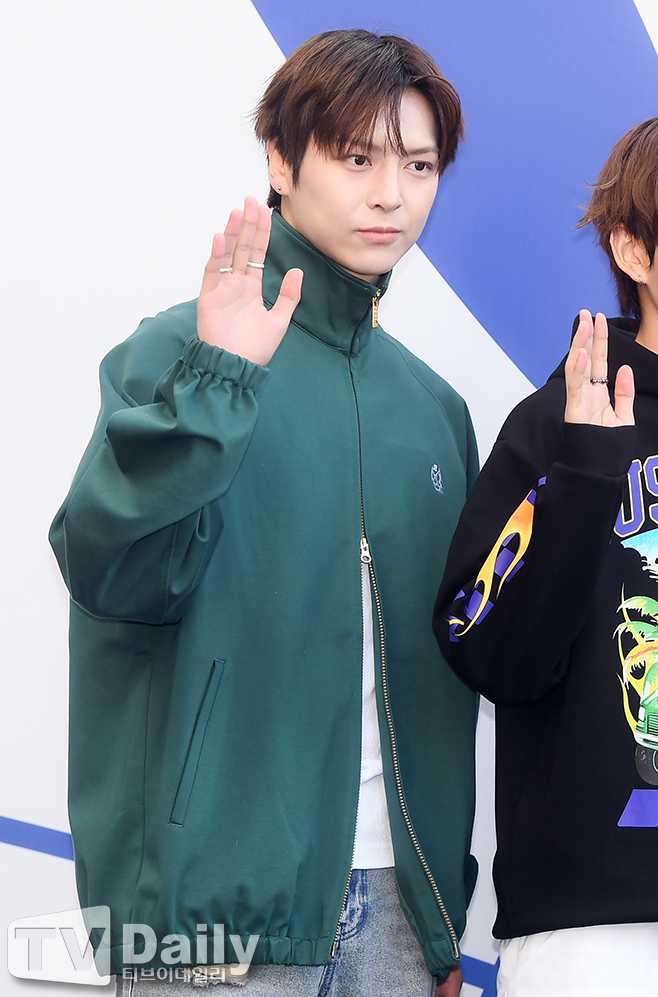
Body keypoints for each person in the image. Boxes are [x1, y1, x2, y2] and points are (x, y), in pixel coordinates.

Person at [50, 29, 479, 997]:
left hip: (400, 914)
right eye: (358, 158)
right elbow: (107, 571)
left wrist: (440, 919)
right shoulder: (181, 354)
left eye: (418, 165)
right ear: (281, 162)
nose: (390, 195)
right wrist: (218, 387)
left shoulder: (435, 410)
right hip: (211, 923)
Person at [434, 117, 658, 996]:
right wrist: (587, 475)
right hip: (597, 931)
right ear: (633, 249)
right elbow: (491, 652)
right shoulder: (560, 422)